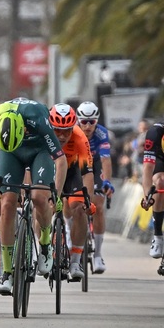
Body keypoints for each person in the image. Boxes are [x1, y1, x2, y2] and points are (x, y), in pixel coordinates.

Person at [0, 97, 68, 295]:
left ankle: (44, 243)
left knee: (38, 197)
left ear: (24, 129)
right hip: (10, 152)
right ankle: (7, 271)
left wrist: (56, 195)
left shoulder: (38, 118)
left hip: (39, 151)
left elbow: (61, 160)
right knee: (7, 203)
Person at [49, 103, 95, 279]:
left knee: (79, 208)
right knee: (41, 205)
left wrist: (88, 202)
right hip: (49, 171)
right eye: (57, 131)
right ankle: (43, 249)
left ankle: (75, 261)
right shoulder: (43, 136)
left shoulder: (80, 138)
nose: (61, 136)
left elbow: (87, 173)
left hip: (72, 172)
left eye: (66, 131)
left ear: (73, 128)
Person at [76, 101, 115, 274]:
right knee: (73, 202)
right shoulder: (74, 131)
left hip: (96, 163)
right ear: (78, 121)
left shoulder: (101, 133)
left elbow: (106, 160)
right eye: (84, 121)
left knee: (98, 206)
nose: (88, 126)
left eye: (92, 121)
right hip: (77, 164)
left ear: (97, 121)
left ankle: (98, 254)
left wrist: (107, 181)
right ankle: (71, 239)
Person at [141, 120, 164, 262]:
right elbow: (147, 169)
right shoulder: (154, 133)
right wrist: (147, 196)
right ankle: (157, 237)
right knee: (160, 181)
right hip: (160, 159)